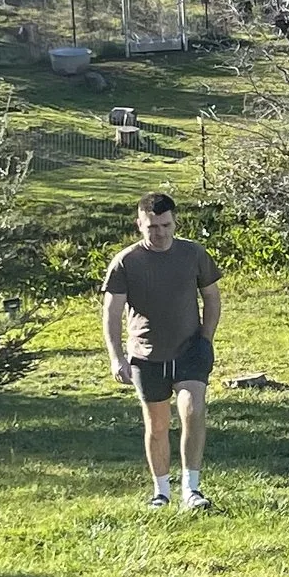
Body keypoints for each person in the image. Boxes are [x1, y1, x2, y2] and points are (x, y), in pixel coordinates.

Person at [100, 191, 222, 510]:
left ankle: (191, 490)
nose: (160, 233)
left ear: (175, 222)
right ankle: (161, 492)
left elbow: (211, 297)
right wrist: (116, 358)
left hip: (190, 351)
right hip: (146, 355)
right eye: (152, 227)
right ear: (139, 224)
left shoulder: (194, 254)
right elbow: (111, 314)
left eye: (166, 225)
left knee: (192, 410)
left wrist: (206, 339)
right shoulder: (126, 262)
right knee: (157, 425)